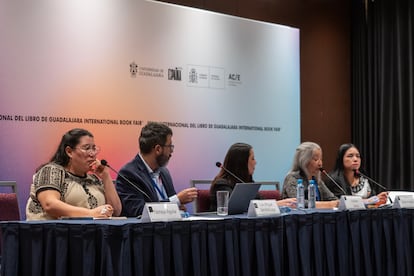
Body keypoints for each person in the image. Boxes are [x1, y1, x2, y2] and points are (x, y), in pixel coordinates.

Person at [26, 128, 122, 220]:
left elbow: (116, 212)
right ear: (69, 152)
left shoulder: (93, 179)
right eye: (87, 148)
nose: (92, 154)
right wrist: (90, 214)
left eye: (94, 148)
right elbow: (49, 204)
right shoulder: (51, 170)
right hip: (50, 233)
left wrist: (106, 176)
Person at [116, 122, 197, 217]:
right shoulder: (128, 174)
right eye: (170, 146)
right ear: (158, 149)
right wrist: (176, 201)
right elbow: (139, 211)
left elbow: (176, 207)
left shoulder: (164, 172)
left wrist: (177, 207)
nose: (172, 151)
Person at [209, 142, 296, 211]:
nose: (255, 162)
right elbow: (238, 207)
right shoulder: (221, 184)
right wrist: (276, 204)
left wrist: (278, 204)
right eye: (252, 158)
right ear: (242, 162)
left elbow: (259, 202)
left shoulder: (246, 182)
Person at [282, 141, 338, 208]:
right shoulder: (292, 178)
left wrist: (341, 202)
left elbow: (332, 199)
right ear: (304, 161)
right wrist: (328, 205)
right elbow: (298, 202)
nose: (320, 164)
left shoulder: (316, 180)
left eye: (321, 159)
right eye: (316, 159)